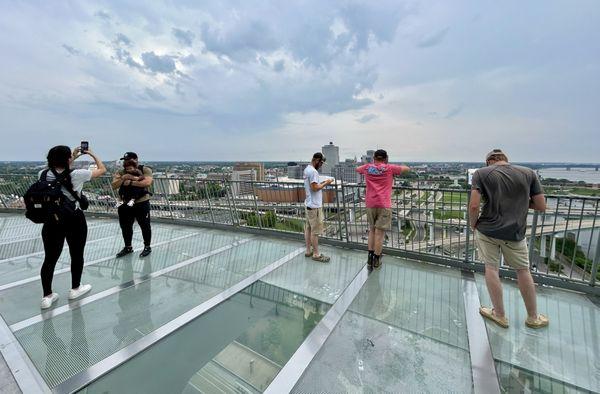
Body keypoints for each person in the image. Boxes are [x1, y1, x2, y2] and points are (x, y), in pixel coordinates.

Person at [470, 149, 549, 329]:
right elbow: (541, 205)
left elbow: (474, 205)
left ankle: (499, 314)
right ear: (505, 160)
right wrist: (520, 201)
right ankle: (533, 317)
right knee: (523, 271)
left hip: (487, 230)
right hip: (515, 232)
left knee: (491, 268)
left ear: (489, 161)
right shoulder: (528, 173)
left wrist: (472, 224)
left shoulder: (481, 174)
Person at [39, 145, 106, 309]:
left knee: (50, 258)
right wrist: (91, 154)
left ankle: (47, 296)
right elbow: (102, 170)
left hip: (51, 220)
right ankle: (75, 288)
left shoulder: (42, 174)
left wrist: (71, 156)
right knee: (76, 254)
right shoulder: (77, 174)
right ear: (68, 159)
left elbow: (58, 171)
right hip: (74, 218)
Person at [356, 149, 410, 271]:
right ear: (386, 158)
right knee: (379, 234)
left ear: (374, 158)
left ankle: (369, 257)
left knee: (372, 230)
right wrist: (388, 165)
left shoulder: (367, 167)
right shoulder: (390, 168)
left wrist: (370, 166)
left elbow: (357, 169)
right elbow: (406, 169)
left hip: (370, 203)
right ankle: (376, 260)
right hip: (384, 204)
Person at [112, 152, 153, 258]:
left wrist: (129, 181)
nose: (126, 162)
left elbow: (147, 183)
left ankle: (147, 247)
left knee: (145, 225)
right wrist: (123, 178)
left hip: (141, 202)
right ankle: (128, 247)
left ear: (136, 160)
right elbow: (114, 185)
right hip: (124, 202)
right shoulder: (121, 171)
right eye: (125, 160)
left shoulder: (144, 170)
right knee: (125, 226)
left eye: (129, 159)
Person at [304, 152, 334, 262]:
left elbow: (312, 185)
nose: (321, 165)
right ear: (316, 160)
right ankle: (316, 254)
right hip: (315, 206)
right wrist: (327, 182)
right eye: (321, 163)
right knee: (315, 232)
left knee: (308, 228)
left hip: (308, 203)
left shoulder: (307, 169)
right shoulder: (313, 172)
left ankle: (308, 251)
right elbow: (315, 188)